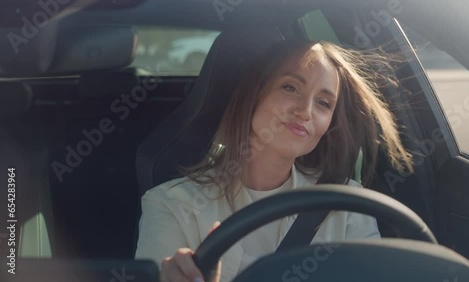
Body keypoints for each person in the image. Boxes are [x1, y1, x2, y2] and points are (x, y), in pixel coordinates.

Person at [135, 39, 414, 282]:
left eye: (323, 103)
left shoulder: (348, 204)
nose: (305, 111)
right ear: (252, 94)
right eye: (290, 87)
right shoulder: (171, 205)